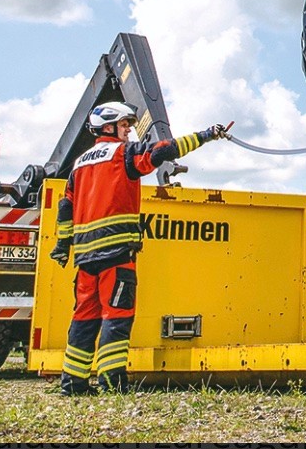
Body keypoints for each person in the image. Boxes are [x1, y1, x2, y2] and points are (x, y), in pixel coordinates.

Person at [49, 102, 231, 396]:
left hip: (85, 260)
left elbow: (66, 205)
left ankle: (73, 384)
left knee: (84, 318)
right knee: (116, 317)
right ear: (107, 127)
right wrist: (206, 134)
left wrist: (62, 244)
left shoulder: (79, 164)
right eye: (124, 125)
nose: (129, 131)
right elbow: (162, 151)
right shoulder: (124, 154)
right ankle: (111, 383)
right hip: (116, 254)